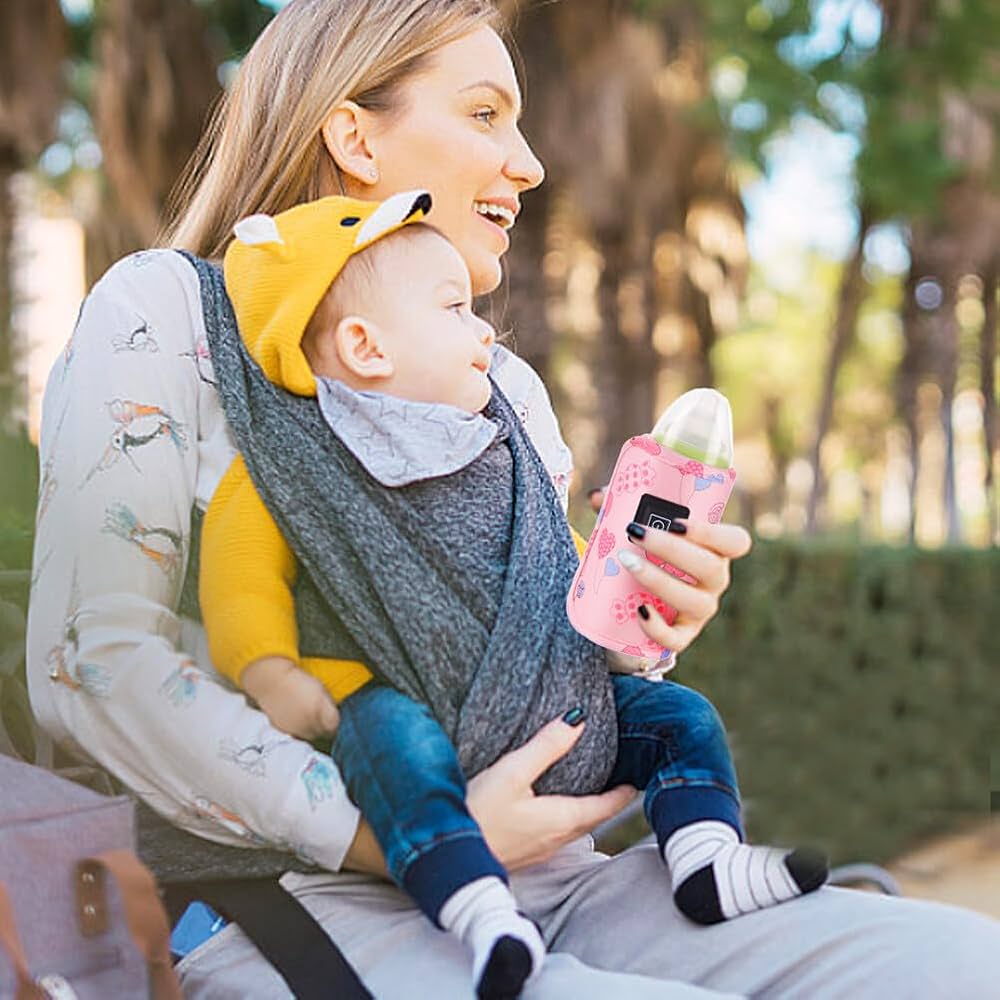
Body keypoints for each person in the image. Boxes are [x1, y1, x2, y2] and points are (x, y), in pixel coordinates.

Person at [25, 1, 1000, 997]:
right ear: (354, 136)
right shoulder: (169, 312)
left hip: (558, 878)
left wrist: (640, 619)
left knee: (965, 965)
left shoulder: (506, 389)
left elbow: (533, 648)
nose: (529, 164)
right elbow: (92, 663)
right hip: (301, 895)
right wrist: (401, 834)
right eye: (486, 114)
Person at [198, 191, 827, 996]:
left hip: (553, 701)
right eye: (456, 308)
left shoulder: (499, 445)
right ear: (364, 345)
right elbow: (238, 579)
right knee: (395, 747)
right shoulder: (286, 469)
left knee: (679, 717)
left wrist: (624, 604)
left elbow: (550, 564)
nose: (485, 330)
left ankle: (706, 856)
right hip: (400, 697)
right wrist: (268, 671)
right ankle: (474, 904)